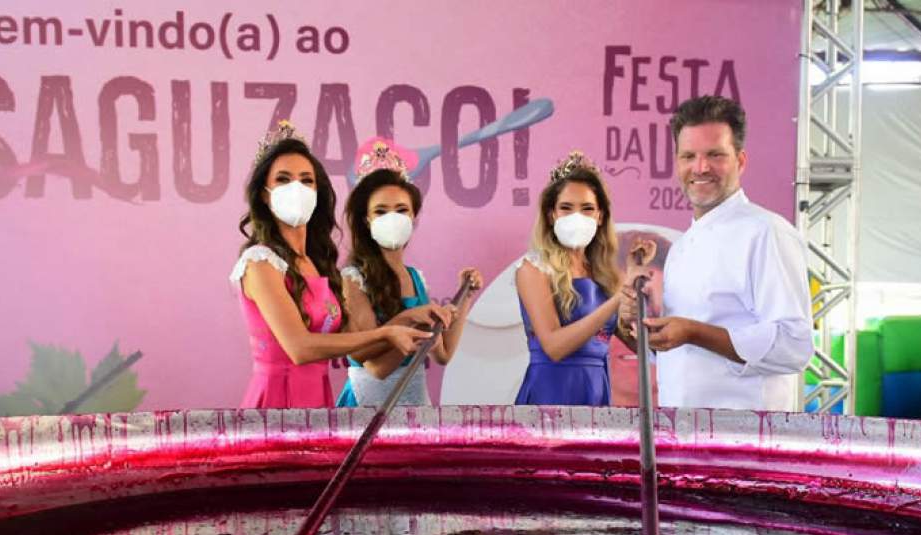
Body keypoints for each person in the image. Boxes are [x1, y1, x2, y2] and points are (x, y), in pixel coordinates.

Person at [619, 95, 812, 411]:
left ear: (741, 161)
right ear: (677, 163)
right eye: (689, 156)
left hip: (743, 431)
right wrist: (633, 324)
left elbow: (794, 344)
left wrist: (694, 333)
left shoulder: (767, 232)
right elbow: (678, 358)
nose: (700, 167)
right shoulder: (681, 248)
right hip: (678, 426)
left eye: (715, 155)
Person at [231, 121, 431, 408]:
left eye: (306, 180)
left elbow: (358, 349)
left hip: (319, 400)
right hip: (277, 405)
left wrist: (409, 319)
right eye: (283, 180)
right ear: (264, 193)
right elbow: (300, 348)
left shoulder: (318, 265)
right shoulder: (260, 262)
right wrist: (387, 332)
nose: (296, 188)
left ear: (317, 191)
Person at [336, 138, 481, 407]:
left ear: (413, 217)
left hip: (414, 403)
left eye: (401, 209)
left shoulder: (416, 278)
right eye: (381, 211)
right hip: (368, 405)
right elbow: (373, 365)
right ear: (367, 220)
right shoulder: (353, 279)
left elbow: (443, 353)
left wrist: (465, 297)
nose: (392, 217)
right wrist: (413, 320)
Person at [514, 150, 655, 406]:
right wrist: (619, 297)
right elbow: (554, 347)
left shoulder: (604, 275)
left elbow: (644, 348)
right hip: (550, 395)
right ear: (551, 215)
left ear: (600, 216)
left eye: (587, 209)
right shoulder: (533, 269)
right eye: (566, 208)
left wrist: (635, 281)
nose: (577, 217)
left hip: (596, 392)